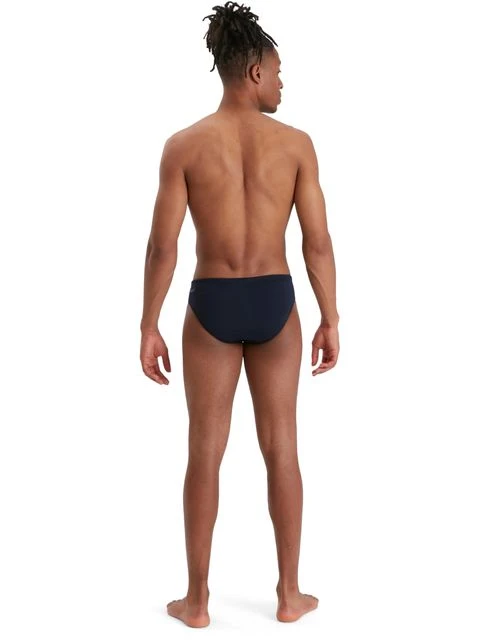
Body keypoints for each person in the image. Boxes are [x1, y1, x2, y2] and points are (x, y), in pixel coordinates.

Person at [140, 0, 340, 628]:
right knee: (283, 449)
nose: (282, 83)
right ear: (254, 71)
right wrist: (330, 317)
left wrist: (148, 325)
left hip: (212, 302)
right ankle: (289, 595)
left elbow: (163, 246)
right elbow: (317, 243)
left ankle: (197, 602)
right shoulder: (296, 145)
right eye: (278, 72)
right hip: (276, 301)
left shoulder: (184, 146)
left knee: (204, 452)